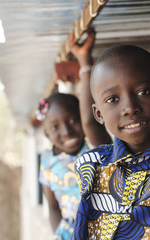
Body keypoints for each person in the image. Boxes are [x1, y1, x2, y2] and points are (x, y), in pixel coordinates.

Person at [70, 45, 150, 240]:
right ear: (99, 114)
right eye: (112, 99)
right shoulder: (90, 164)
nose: (130, 108)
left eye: (143, 92)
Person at [38, 30, 112, 240]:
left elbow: (89, 121)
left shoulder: (95, 147)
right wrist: (60, 234)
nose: (67, 130)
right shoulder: (47, 160)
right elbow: (52, 207)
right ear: (46, 133)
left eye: (73, 120)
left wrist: (84, 61)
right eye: (55, 127)